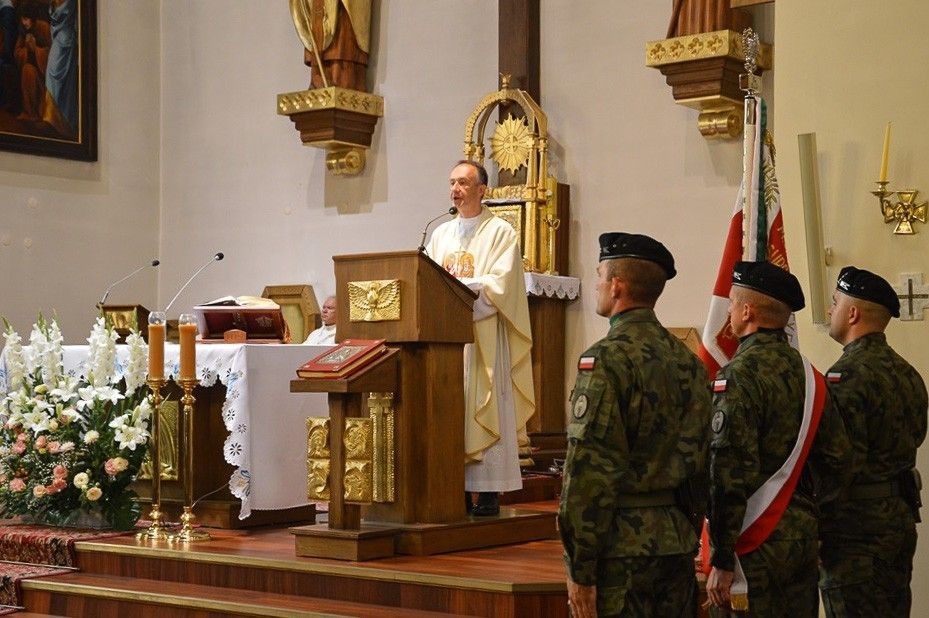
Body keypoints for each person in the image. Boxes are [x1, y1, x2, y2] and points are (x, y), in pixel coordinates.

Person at [558, 232, 712, 617]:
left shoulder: (605, 360)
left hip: (619, 551)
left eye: (599, 275)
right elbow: (703, 463)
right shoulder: (689, 363)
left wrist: (580, 567)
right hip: (676, 542)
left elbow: (589, 472)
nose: (596, 285)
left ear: (617, 286)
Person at [706, 261, 850, 616]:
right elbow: (837, 460)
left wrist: (721, 557)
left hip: (752, 543)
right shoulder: (812, 377)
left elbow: (726, 473)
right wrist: (818, 526)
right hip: (800, 537)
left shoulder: (738, 377)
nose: (728, 311)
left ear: (747, 311)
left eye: (732, 303)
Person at [425, 160, 535, 516]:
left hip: (484, 335)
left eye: (463, 183)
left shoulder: (501, 232)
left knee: (487, 405)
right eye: (451, 183)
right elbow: (429, 278)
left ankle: (488, 492)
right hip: (448, 340)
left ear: (482, 190)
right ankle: (454, 487)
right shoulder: (440, 234)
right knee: (452, 410)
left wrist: (458, 289)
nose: (455, 190)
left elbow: (501, 284)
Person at [819, 266, 927, 617]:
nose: (831, 311)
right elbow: (916, 435)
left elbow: (837, 461)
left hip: (855, 532)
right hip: (898, 520)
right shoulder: (908, 373)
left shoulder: (846, 375)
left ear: (852, 313)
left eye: (835, 303)